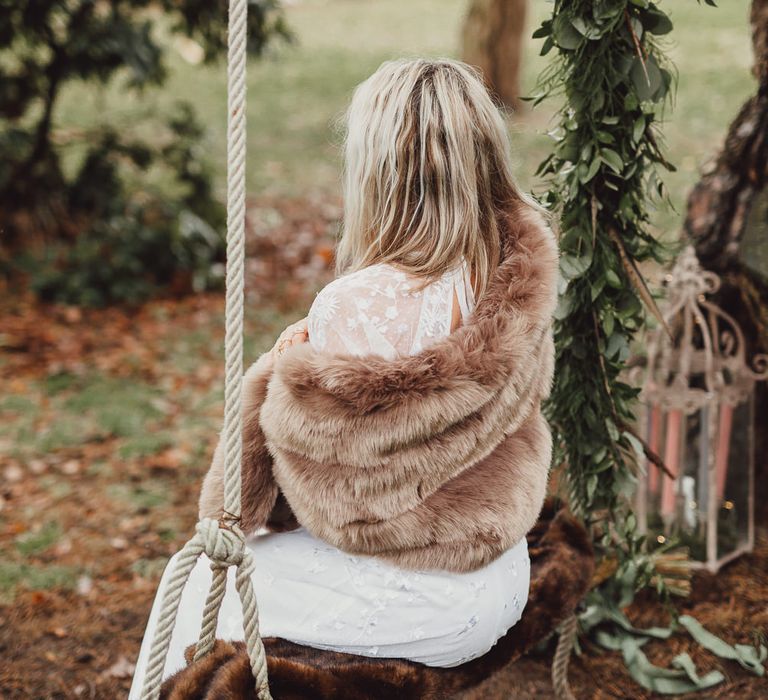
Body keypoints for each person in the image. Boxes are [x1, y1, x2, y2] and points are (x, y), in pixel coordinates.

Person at [130, 57, 557, 695]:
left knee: (191, 583)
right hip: (500, 573)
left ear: (376, 173)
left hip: (425, 597)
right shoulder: (514, 272)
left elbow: (313, 502)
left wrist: (279, 376)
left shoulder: (354, 304)